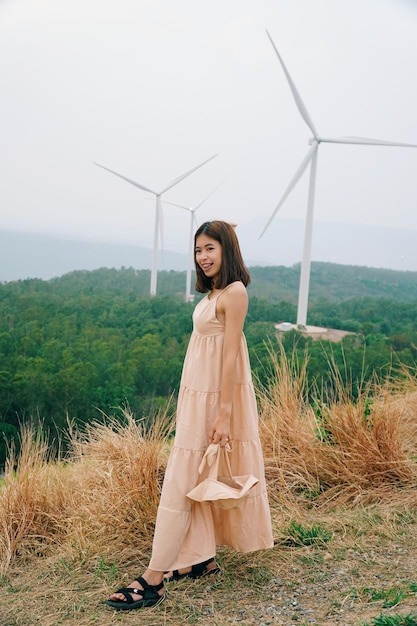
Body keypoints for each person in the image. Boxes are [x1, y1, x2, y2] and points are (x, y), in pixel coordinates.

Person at [106, 220, 274, 611]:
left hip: (215, 401)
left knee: (182, 480)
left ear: (227, 250)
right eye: (198, 250)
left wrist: (224, 415)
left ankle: (153, 578)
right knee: (195, 477)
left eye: (211, 248)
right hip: (198, 399)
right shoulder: (215, 291)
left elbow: (231, 355)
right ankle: (201, 559)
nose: (203, 257)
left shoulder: (234, 293)